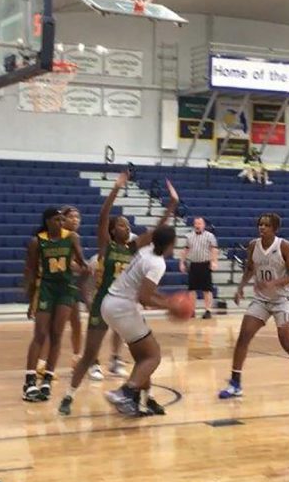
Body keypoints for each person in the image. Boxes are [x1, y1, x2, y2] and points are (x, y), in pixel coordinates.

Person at [58, 172, 179, 416]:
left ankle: (145, 398)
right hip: (107, 301)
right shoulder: (107, 247)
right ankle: (69, 396)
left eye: (127, 224)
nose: (127, 227)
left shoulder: (136, 248)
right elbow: (104, 216)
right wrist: (115, 188)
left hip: (121, 304)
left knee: (141, 353)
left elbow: (157, 232)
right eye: (122, 224)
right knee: (93, 354)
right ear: (113, 231)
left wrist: (172, 206)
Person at [218, 213, 289, 399]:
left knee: (287, 342)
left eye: (266, 225)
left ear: (275, 228)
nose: (262, 227)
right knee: (243, 337)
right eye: (260, 224)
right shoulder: (253, 245)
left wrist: (274, 283)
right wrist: (240, 287)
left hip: (283, 299)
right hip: (261, 300)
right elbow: (250, 268)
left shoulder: (284, 246)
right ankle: (235, 384)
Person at [101, 225, 185, 417]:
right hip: (123, 308)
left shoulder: (145, 250)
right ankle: (125, 392)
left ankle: (141, 400)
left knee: (143, 358)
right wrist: (171, 307)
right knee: (153, 356)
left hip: (110, 303)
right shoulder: (158, 264)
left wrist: (166, 299)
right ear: (171, 244)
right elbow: (144, 298)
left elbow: (144, 289)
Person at [23, 207, 87, 401]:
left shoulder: (72, 237)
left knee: (57, 334)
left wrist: (83, 272)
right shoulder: (37, 242)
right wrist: (30, 299)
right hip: (46, 289)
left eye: (62, 220)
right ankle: (30, 381)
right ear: (48, 221)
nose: (61, 223)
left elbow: (81, 264)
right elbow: (31, 271)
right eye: (57, 220)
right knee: (40, 334)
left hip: (66, 290)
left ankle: (48, 380)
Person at [36, 205, 91, 377]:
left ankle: (76, 359)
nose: (75, 220)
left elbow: (76, 265)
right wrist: (77, 267)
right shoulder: (54, 238)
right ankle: (41, 364)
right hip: (51, 285)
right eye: (71, 217)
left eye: (78, 217)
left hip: (68, 286)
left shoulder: (74, 237)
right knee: (50, 327)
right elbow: (68, 264)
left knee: (76, 322)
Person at [179, 217, 219, 319]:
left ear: (203, 225)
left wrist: (214, 262)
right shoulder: (189, 236)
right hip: (193, 264)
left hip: (205, 264)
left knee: (207, 289)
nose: (197, 225)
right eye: (196, 223)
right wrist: (182, 263)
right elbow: (185, 250)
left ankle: (208, 310)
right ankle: (192, 310)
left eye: (199, 223)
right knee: (192, 289)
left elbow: (214, 250)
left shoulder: (210, 236)